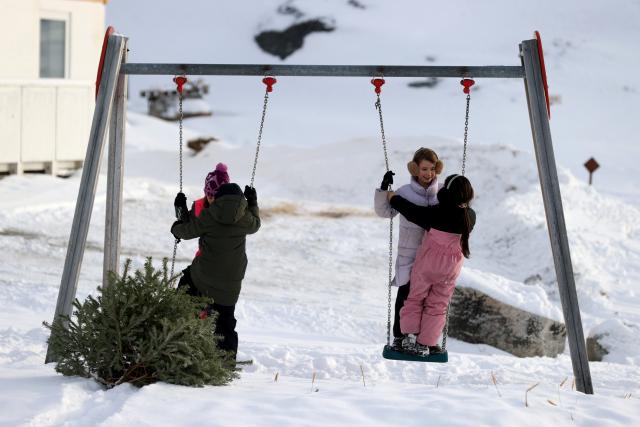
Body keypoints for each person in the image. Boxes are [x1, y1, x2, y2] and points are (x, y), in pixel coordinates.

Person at [387, 174, 476, 356]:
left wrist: (393, 198)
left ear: (446, 193)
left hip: (427, 265)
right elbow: (459, 210)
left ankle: (410, 336)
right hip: (450, 269)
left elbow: (411, 211)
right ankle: (424, 344)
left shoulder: (436, 213)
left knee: (415, 298)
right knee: (438, 305)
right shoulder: (470, 216)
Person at [171, 182, 260, 359]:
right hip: (231, 282)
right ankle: (225, 365)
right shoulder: (246, 219)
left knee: (185, 291)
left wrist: (176, 223)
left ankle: (176, 341)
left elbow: (186, 231)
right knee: (225, 323)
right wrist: (253, 202)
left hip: (203, 277)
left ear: (219, 199)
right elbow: (257, 224)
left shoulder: (209, 216)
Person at [374, 148, 443, 350]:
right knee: (406, 294)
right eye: (423, 169)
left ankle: (425, 341)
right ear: (415, 169)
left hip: (433, 255)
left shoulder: (441, 194)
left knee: (430, 299)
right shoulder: (404, 192)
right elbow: (385, 212)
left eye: (432, 169)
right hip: (410, 252)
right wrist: (384, 189)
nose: (428, 173)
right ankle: (400, 337)